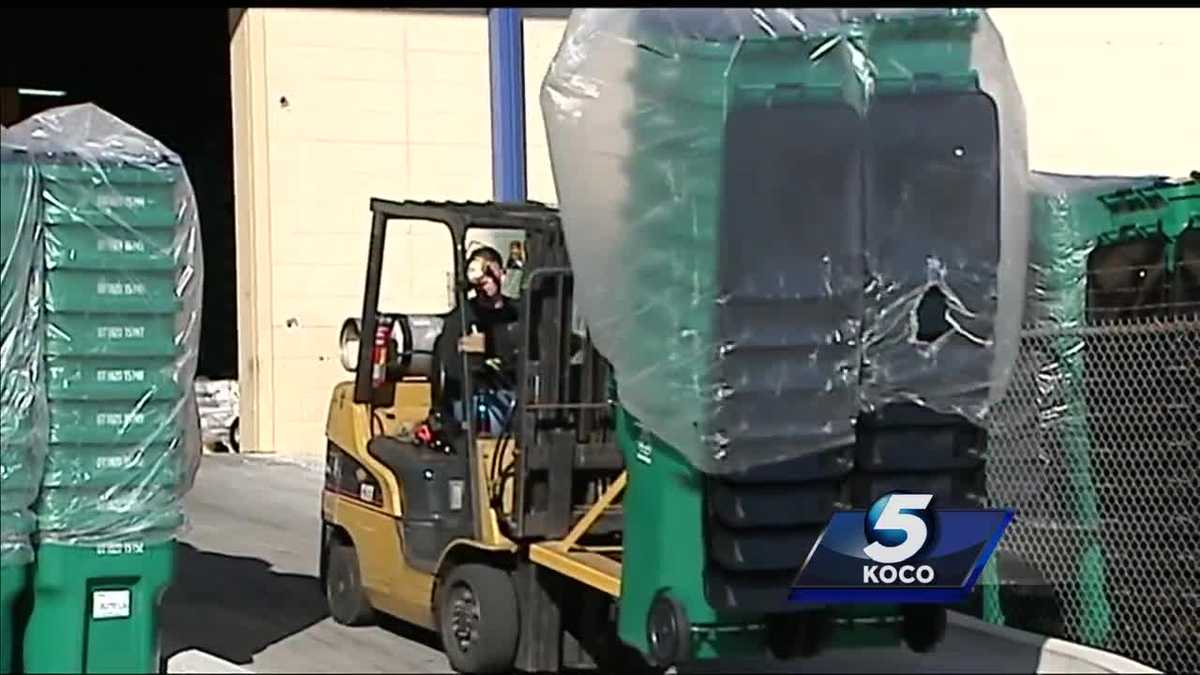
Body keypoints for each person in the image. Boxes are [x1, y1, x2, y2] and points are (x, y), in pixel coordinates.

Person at [433, 246, 519, 431]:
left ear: (502, 275)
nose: (486, 280)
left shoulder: (518, 313)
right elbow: (450, 366)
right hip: (474, 397)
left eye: (491, 273)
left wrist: (491, 344)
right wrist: (473, 358)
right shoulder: (461, 317)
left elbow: (533, 345)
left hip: (513, 394)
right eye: (481, 274)